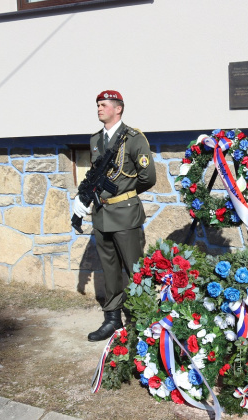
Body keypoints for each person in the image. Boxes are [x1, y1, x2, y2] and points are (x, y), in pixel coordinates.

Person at [72, 90, 156, 342]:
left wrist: (125, 196)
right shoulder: (96, 139)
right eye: (97, 104)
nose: (99, 108)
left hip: (125, 214)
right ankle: (112, 319)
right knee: (109, 269)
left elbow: (148, 177)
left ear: (118, 109)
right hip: (101, 214)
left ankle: (144, 318)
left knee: (134, 268)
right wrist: (83, 198)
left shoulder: (133, 138)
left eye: (104, 104)